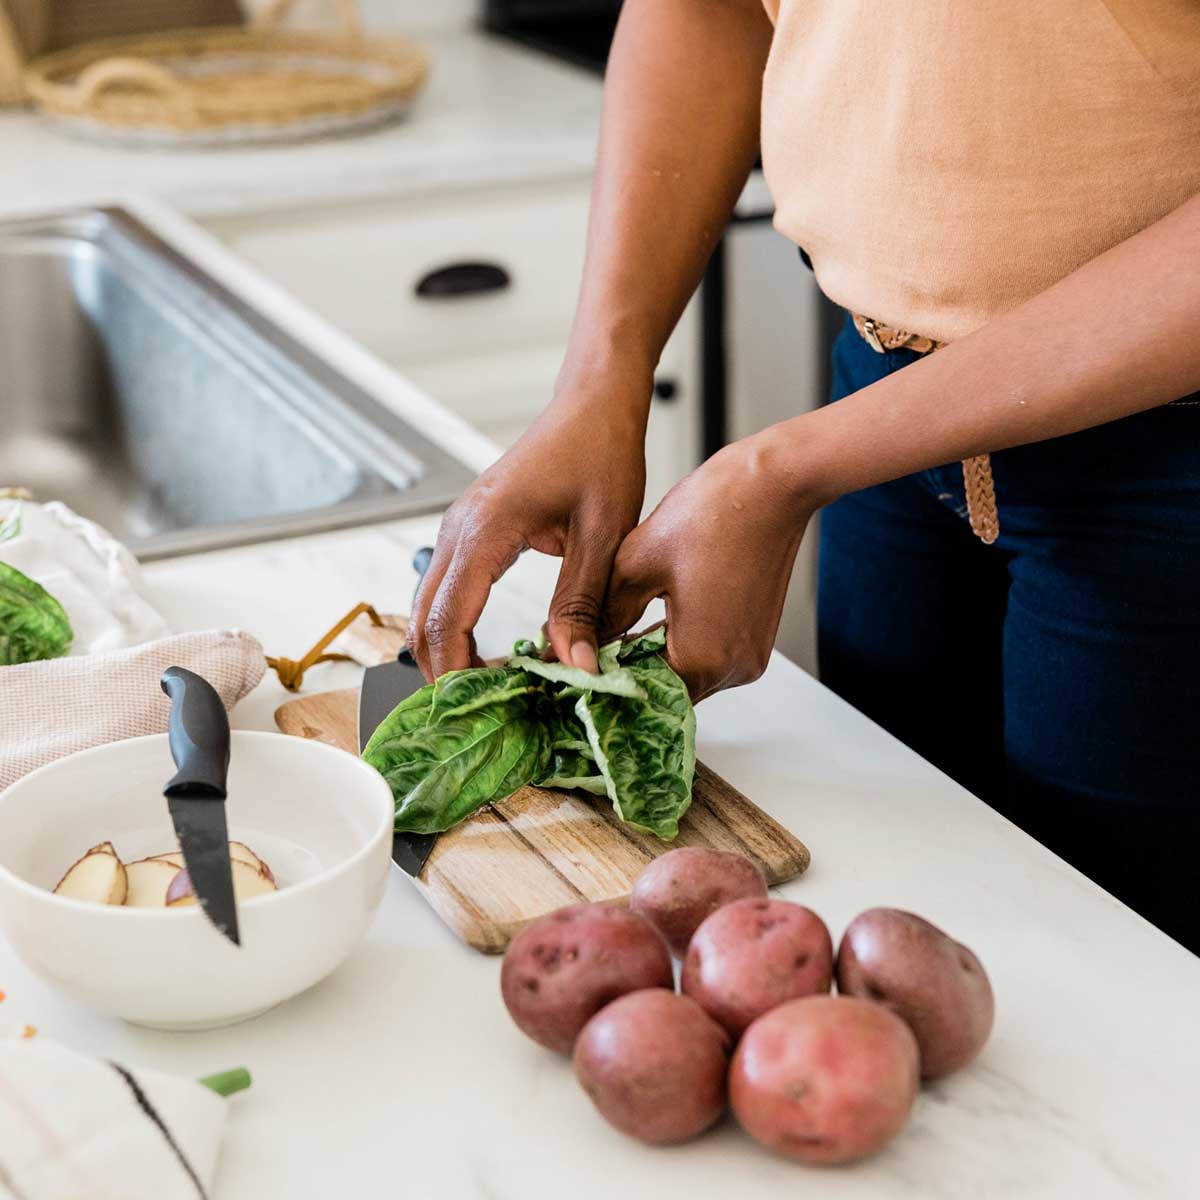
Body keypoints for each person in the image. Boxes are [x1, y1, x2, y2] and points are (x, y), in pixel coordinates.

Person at [408, 1, 1200, 950]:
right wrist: (599, 381)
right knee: (896, 911)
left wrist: (784, 470)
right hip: (883, 421)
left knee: (1123, 981)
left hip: (1167, 471)